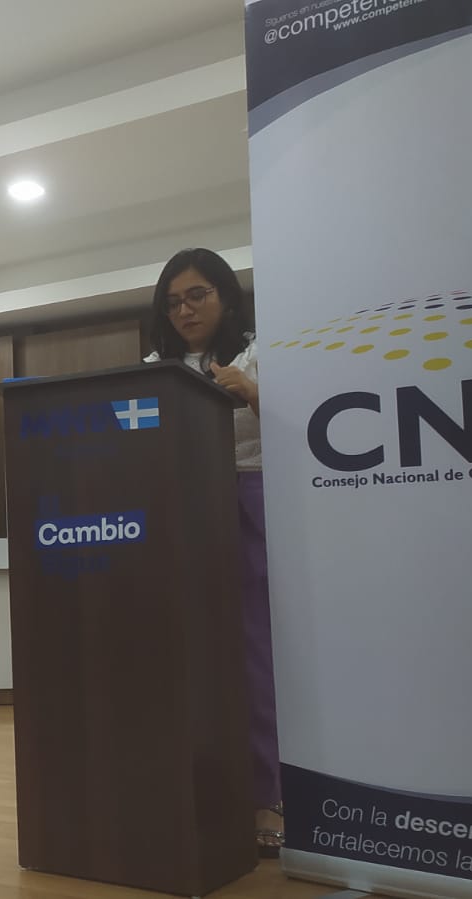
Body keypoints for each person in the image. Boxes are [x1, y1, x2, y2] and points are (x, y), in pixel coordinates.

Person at [143, 248, 282, 856]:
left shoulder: (260, 353)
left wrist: (250, 390)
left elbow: (310, 426)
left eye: (197, 295)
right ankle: (196, 793)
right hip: (178, 513)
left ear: (225, 297)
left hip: (247, 499)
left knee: (253, 656)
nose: (184, 310)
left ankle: (268, 795)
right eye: (173, 302)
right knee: (185, 659)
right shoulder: (156, 369)